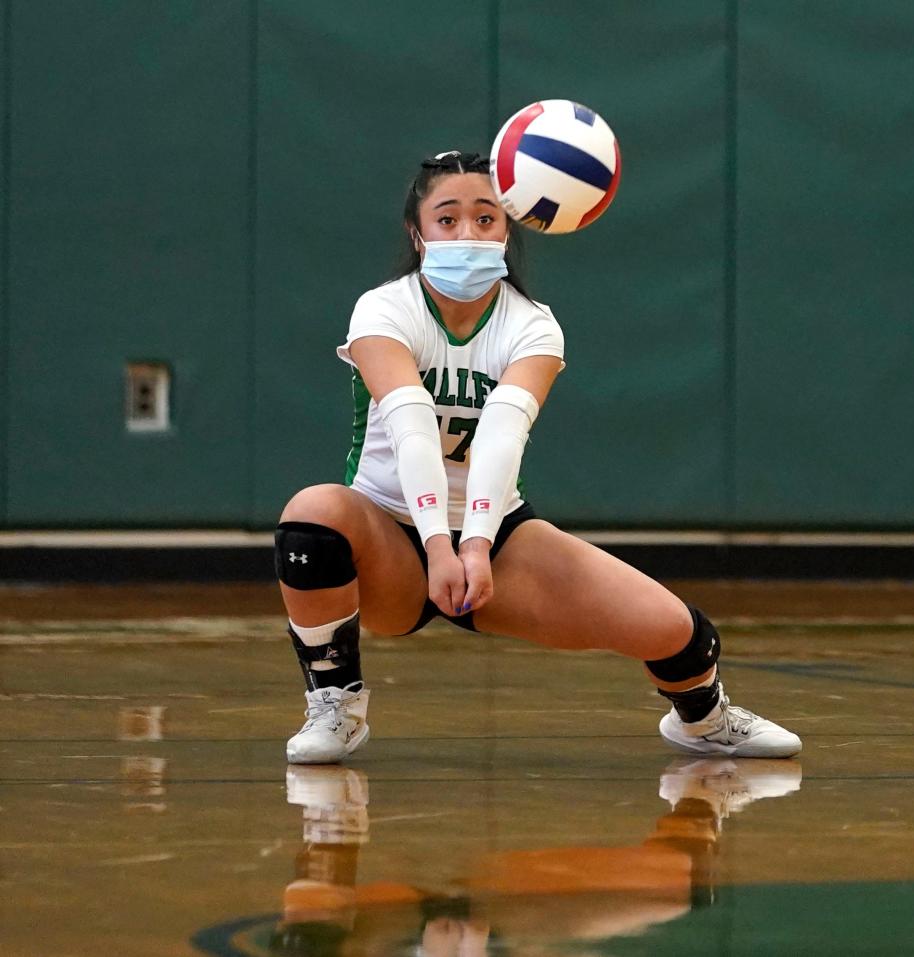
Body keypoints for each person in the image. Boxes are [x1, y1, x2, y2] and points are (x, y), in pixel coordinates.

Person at [274, 150, 801, 765]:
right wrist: (438, 547)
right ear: (418, 235)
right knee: (314, 512)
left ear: (509, 228)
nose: (467, 233)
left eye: (485, 218)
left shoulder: (533, 327)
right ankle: (336, 702)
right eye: (447, 219)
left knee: (678, 631)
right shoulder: (384, 308)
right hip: (390, 538)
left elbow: (502, 434)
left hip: (494, 535)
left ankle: (706, 720)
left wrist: (473, 544)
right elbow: (412, 423)